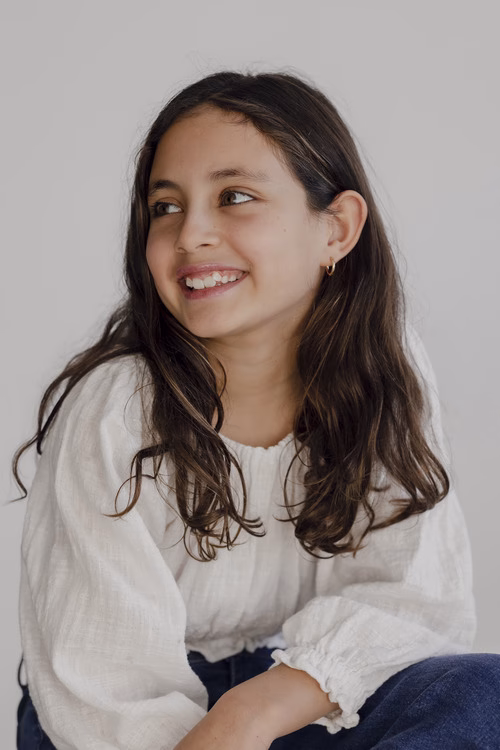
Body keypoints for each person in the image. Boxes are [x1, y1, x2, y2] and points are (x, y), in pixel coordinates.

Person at [12, 69, 500, 750]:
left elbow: (412, 599)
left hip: (294, 695)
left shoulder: (384, 370)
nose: (191, 234)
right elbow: (101, 680)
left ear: (337, 229)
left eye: (234, 196)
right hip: (121, 724)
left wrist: (255, 711)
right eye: (165, 206)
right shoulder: (116, 409)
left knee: (483, 693)